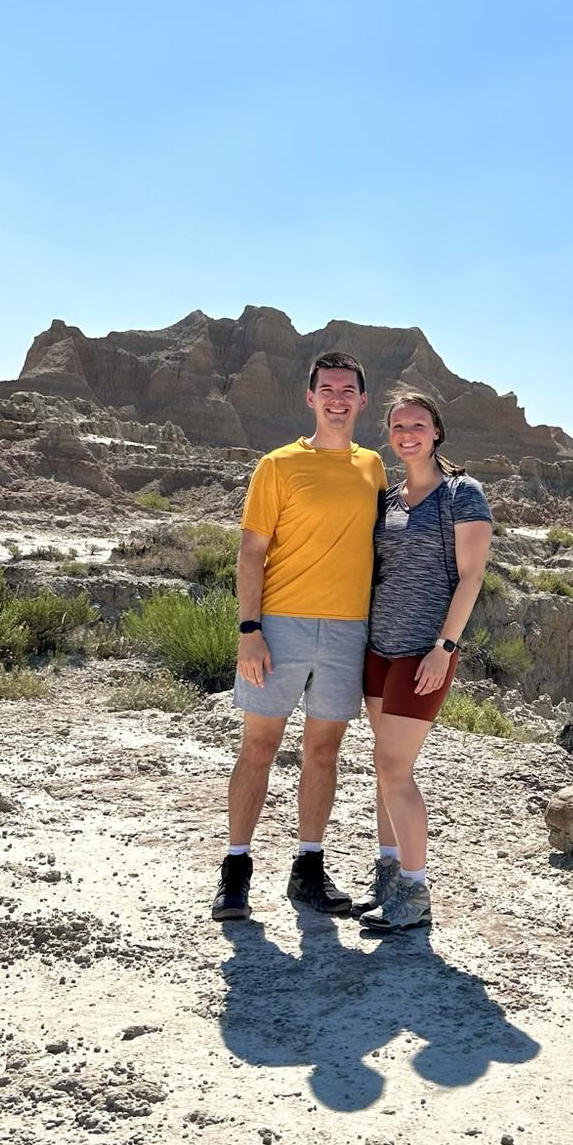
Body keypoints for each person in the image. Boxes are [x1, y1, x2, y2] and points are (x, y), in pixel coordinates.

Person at [211, 352, 387, 922]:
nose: (337, 398)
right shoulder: (278, 465)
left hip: (346, 631)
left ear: (362, 401)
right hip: (279, 628)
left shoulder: (374, 467)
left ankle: (307, 868)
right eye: (327, 388)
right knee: (259, 746)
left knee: (323, 752)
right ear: (310, 398)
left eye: (348, 390)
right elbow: (252, 551)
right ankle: (235, 871)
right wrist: (249, 630)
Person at [352, 391, 493, 931]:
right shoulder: (387, 499)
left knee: (394, 767)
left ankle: (415, 892)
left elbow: (472, 575)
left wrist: (446, 645)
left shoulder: (462, 493)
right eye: (397, 425)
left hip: (425, 653)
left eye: (417, 424)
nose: (407, 433)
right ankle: (388, 876)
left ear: (437, 431)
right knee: (383, 765)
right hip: (378, 649)